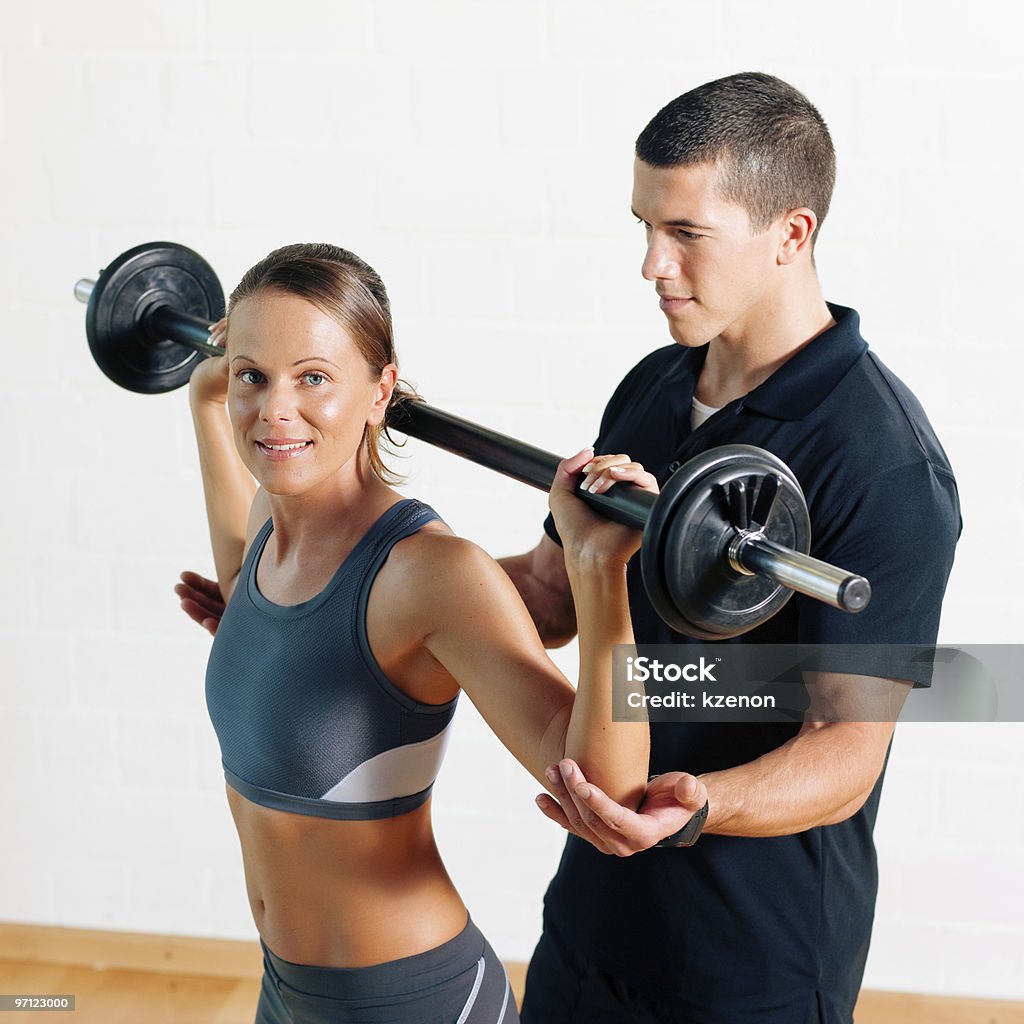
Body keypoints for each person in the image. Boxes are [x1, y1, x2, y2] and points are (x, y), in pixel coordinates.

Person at [177, 72, 962, 1022]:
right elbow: (550, 593)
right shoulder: (656, 388)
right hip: (597, 906)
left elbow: (848, 748)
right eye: (644, 228)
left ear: (791, 233)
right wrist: (326, 617)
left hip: (753, 942)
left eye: (684, 235)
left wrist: (698, 805)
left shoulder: (883, 464)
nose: (651, 266)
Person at [179, 241, 658, 1024]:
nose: (274, 410)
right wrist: (202, 401)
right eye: (252, 377)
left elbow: (604, 786)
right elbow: (240, 587)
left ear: (380, 390)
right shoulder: (273, 522)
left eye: (314, 378)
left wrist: (598, 572)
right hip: (286, 994)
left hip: (412, 1002)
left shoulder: (431, 575)